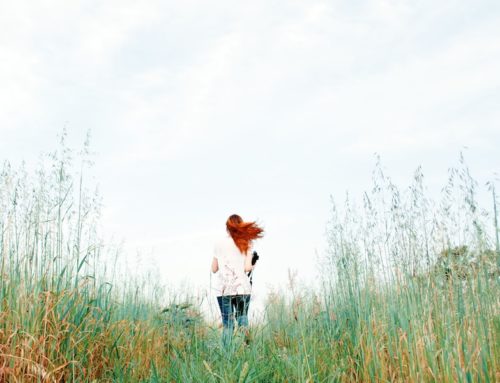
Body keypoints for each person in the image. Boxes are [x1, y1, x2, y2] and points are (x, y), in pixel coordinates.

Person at [211, 214, 264, 347]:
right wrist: (254, 264)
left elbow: (214, 269)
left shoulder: (219, 243)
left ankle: (226, 356)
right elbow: (247, 268)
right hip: (242, 289)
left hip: (223, 291)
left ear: (227, 227)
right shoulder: (246, 242)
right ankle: (247, 350)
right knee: (242, 321)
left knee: (228, 325)